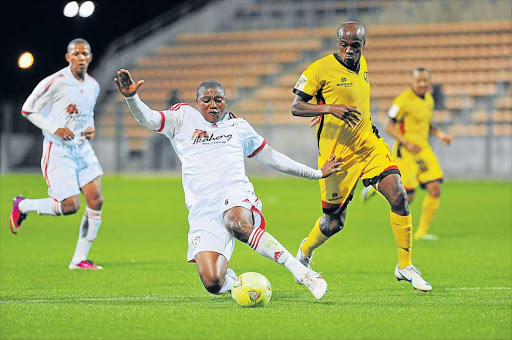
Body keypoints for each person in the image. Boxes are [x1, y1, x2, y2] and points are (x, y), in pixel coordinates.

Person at [114, 69, 343, 299]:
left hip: (235, 192)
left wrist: (316, 173)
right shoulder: (181, 117)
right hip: (202, 207)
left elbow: (273, 158)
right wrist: (132, 98)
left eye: (218, 99)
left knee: (236, 223)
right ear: (197, 102)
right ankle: (232, 281)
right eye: (207, 100)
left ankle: (303, 273)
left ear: (225, 101)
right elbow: (149, 119)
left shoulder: (239, 127)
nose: (213, 105)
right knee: (213, 282)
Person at [291, 21, 432, 291]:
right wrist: (328, 109)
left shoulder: (363, 64)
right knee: (334, 223)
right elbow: (296, 107)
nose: (349, 51)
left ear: (363, 45)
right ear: (337, 44)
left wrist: (363, 120)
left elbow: (357, 100)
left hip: (368, 145)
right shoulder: (319, 69)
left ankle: (405, 265)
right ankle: (305, 252)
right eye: (344, 45)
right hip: (337, 157)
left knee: (398, 194)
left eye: (355, 46)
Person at [9, 38, 104, 270]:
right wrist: (55, 129)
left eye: (85, 54)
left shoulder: (93, 85)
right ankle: (22, 206)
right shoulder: (56, 82)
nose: (81, 58)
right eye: (76, 54)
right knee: (70, 206)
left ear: (90, 57)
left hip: (82, 148)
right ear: (68, 57)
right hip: (58, 150)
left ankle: (79, 259)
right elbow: (27, 109)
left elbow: (87, 112)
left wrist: (90, 127)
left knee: (96, 200)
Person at [363, 68, 453, 241]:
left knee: (435, 188)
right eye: (418, 81)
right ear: (411, 82)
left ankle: (421, 233)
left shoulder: (428, 100)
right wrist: (406, 143)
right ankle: (376, 187)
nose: (422, 84)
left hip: (423, 150)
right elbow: (388, 124)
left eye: (425, 81)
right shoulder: (402, 100)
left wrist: (440, 134)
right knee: (407, 197)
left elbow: (426, 124)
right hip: (406, 151)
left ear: (429, 81)